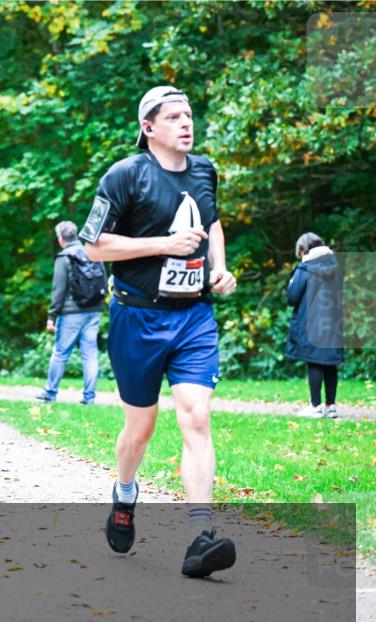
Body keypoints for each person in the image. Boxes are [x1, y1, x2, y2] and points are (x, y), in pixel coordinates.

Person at [80, 85, 238, 578]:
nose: (186, 124)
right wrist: (163, 245)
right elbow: (94, 247)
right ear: (149, 127)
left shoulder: (205, 170)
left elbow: (212, 224)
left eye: (188, 115)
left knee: (197, 418)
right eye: (173, 117)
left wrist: (220, 268)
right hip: (137, 317)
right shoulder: (126, 175)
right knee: (140, 429)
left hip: (193, 316)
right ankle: (125, 493)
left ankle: (199, 537)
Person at [36, 221, 105, 405]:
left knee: (61, 353)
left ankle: (50, 393)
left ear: (61, 239)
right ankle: (89, 398)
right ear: (75, 235)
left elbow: (58, 290)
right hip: (94, 310)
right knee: (90, 354)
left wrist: (52, 315)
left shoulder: (64, 257)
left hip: (71, 312)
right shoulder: (92, 252)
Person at [286, 232, 344, 418]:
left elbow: (292, 297)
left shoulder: (304, 270)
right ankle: (331, 406)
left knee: (315, 362)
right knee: (329, 362)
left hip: (311, 322)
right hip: (333, 321)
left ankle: (315, 405)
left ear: (303, 250)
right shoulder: (336, 268)